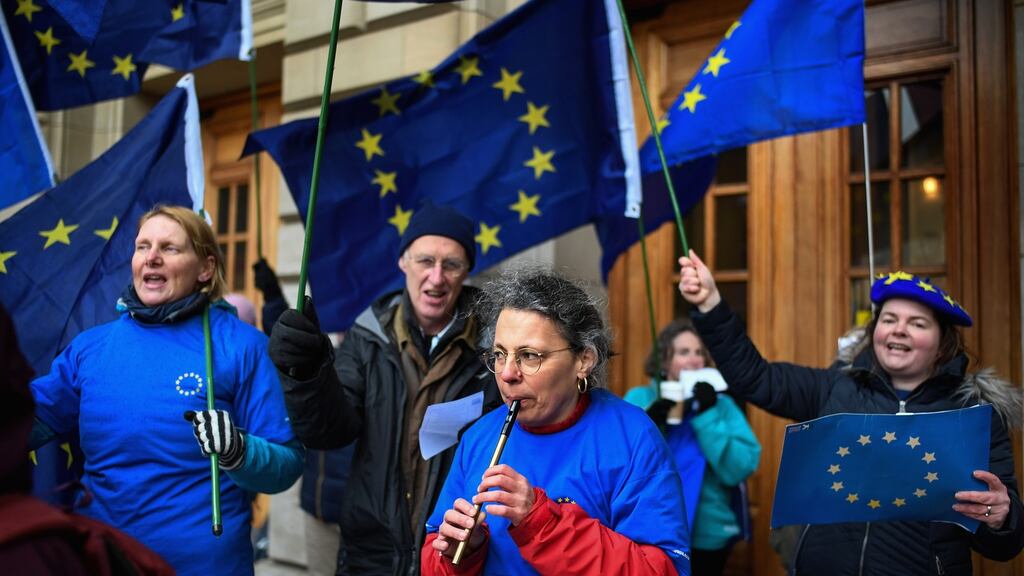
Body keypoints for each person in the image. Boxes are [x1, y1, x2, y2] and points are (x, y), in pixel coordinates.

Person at [678, 250, 1024, 574]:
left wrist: (1000, 518)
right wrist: (710, 305)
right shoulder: (834, 389)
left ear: (942, 344)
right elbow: (754, 376)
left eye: (918, 323)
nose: (899, 329)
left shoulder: (974, 417)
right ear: (875, 333)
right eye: (889, 319)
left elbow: (1004, 544)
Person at [29, 205, 303, 576]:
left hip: (203, 566)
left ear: (205, 268)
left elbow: (286, 466)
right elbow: (23, 420)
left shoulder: (244, 346)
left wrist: (240, 451)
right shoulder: (90, 348)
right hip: (104, 560)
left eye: (169, 248)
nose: (152, 258)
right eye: (143, 247)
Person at [269, 202, 502, 575]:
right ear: (403, 262)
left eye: (451, 264)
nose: (437, 277)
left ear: (467, 272)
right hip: (371, 553)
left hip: (454, 553)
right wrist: (308, 372)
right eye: (425, 261)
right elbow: (329, 430)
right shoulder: (367, 334)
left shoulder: (496, 345)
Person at [421, 268, 691, 575]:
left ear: (583, 360)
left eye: (530, 355)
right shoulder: (479, 437)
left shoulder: (633, 437)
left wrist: (542, 524)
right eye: (499, 354)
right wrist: (464, 553)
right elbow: (434, 556)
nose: (508, 374)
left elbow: (663, 570)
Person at [625, 319, 760, 576]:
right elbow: (617, 462)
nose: (695, 360)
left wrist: (709, 415)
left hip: (708, 533)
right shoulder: (639, 399)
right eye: (684, 352)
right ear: (664, 362)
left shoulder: (721, 406)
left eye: (700, 353)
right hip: (650, 527)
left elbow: (740, 468)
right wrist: (649, 422)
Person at [252, 260, 356, 576]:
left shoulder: (368, 346)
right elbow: (284, 338)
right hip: (319, 503)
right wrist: (271, 295)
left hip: (363, 511)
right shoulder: (317, 340)